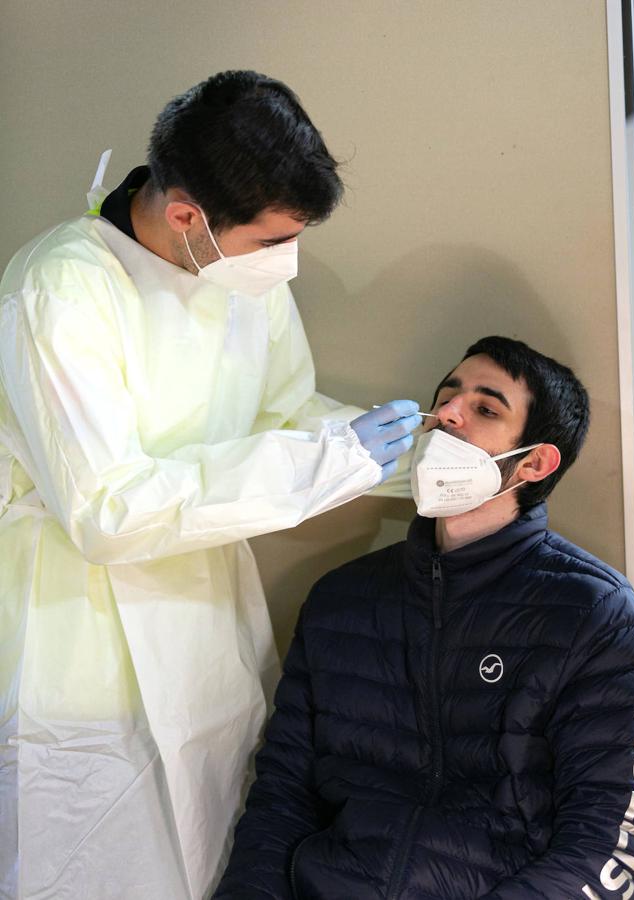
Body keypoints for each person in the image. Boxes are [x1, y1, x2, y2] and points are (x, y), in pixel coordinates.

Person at [0, 71, 420, 900]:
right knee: (99, 867)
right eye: (273, 241)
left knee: (217, 847)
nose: (286, 262)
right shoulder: (61, 288)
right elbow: (107, 512)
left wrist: (418, 460)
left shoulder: (238, 274)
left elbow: (284, 410)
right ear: (187, 213)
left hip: (206, 626)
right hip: (81, 647)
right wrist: (328, 462)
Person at [216, 335, 634, 900]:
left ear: (534, 463)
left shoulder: (593, 614)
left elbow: (614, 840)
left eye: (485, 409)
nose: (448, 415)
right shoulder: (341, 600)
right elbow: (282, 798)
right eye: (447, 397)